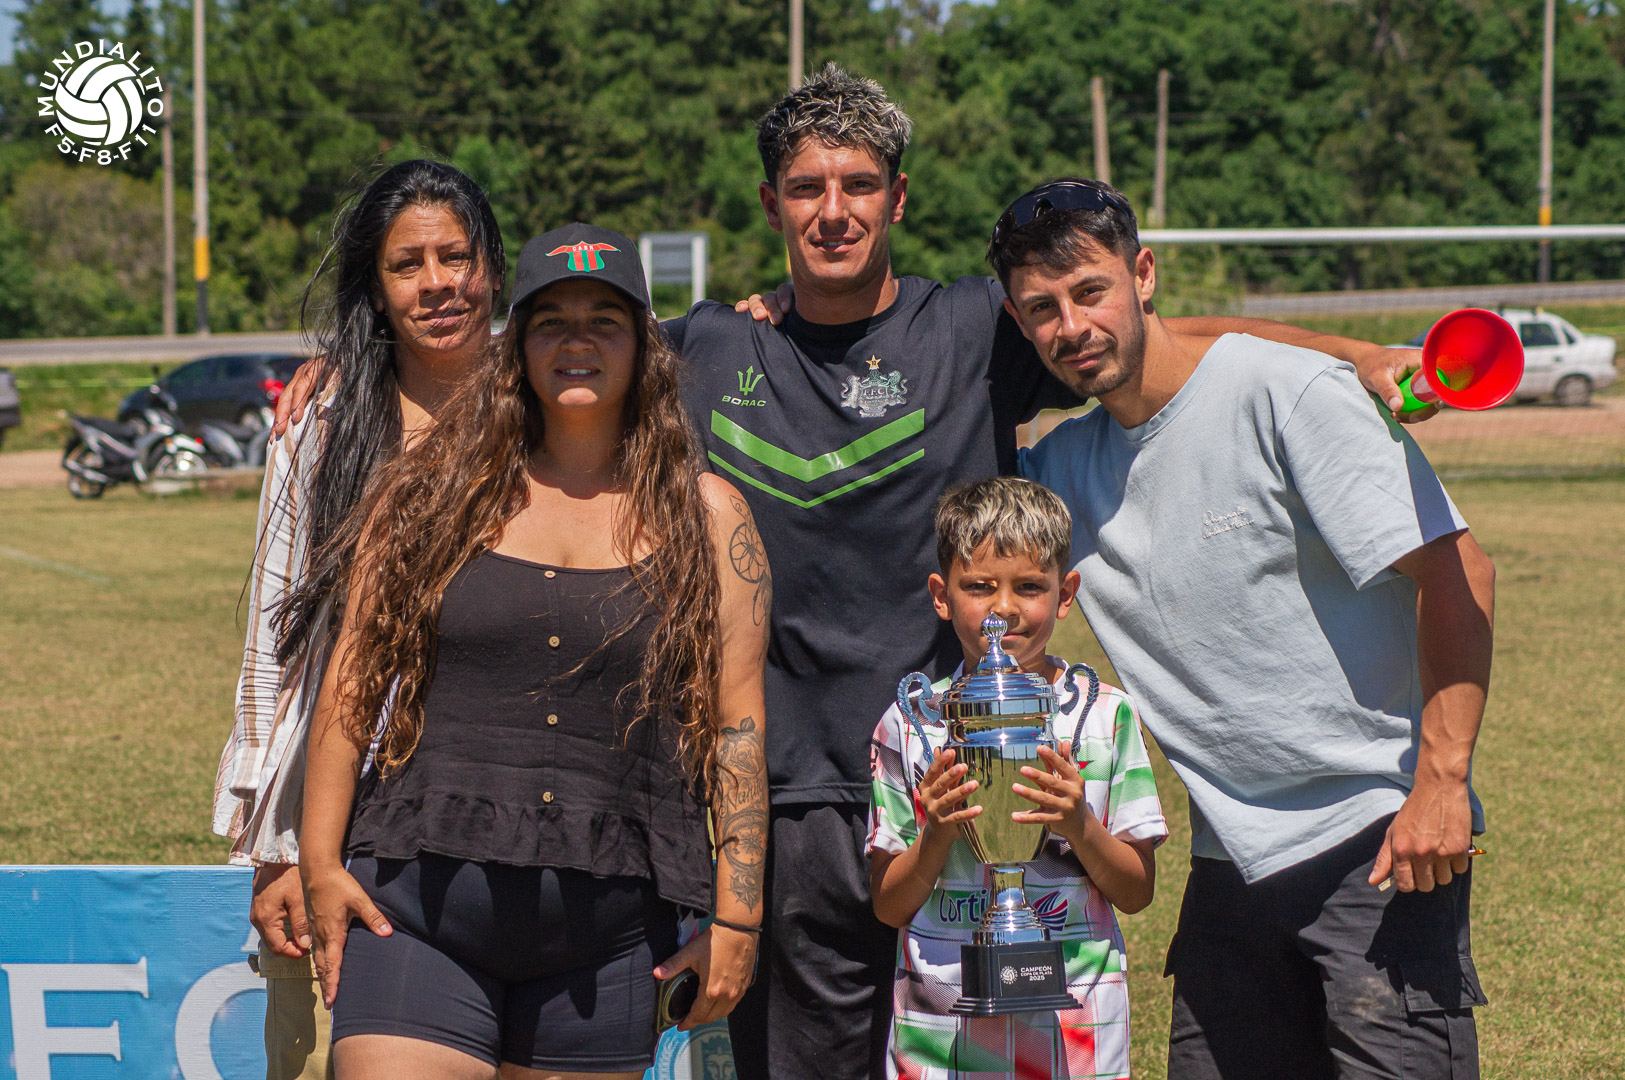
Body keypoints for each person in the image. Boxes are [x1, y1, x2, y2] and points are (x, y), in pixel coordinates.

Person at [664, 64, 1437, 1080]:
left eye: (858, 184)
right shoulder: (713, 347)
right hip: (792, 799)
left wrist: (1356, 355)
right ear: (771, 205)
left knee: (982, 1056)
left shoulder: (974, 329)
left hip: (967, 773)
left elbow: (1177, 341)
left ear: (898, 198)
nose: (833, 211)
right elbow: (565, 374)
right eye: (807, 189)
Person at [1000, 178, 1494, 1079]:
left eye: (1090, 291)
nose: (1071, 326)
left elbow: (1459, 574)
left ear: (1143, 275)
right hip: (1227, 860)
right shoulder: (1061, 470)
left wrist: (1441, 782)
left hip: (1375, 840)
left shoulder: (1285, 392)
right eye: (1042, 308)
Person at [296, 224, 769, 1080]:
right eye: (551, 322)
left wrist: (737, 917)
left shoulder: (710, 516)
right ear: (515, 346)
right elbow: (353, 680)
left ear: (644, 347)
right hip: (417, 910)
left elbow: (737, 727)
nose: (577, 342)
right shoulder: (429, 488)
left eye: (604, 322)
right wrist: (320, 862)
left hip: (612, 941)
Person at [211, 159, 504, 1080]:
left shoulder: (552, 404)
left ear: (493, 267)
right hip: (341, 824)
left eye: (456, 257)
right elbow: (275, 642)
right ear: (375, 291)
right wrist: (276, 849)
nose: (437, 284)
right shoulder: (322, 425)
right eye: (406, 265)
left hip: (504, 814)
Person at [868, 477, 1167, 1080]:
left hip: (1077, 1035)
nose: (1003, 607)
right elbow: (889, 903)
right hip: (941, 1039)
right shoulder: (911, 723)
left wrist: (1079, 824)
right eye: (979, 586)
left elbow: (1136, 893)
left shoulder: (1103, 716)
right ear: (941, 595)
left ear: (1065, 594)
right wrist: (937, 831)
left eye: (1029, 587)